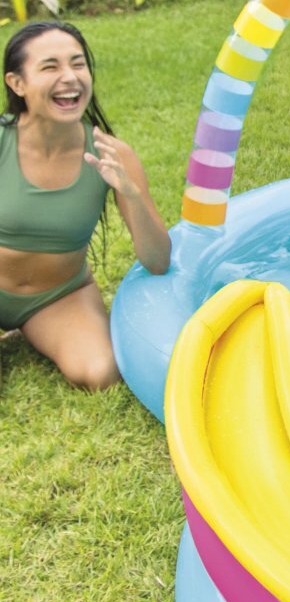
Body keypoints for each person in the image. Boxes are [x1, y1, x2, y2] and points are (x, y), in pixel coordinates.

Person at [1, 21, 170, 390]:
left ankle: (31, 329)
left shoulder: (112, 153)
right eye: (50, 67)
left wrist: (133, 195)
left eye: (78, 64)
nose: (70, 77)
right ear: (17, 83)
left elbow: (158, 261)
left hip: (56, 295)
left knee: (101, 372)